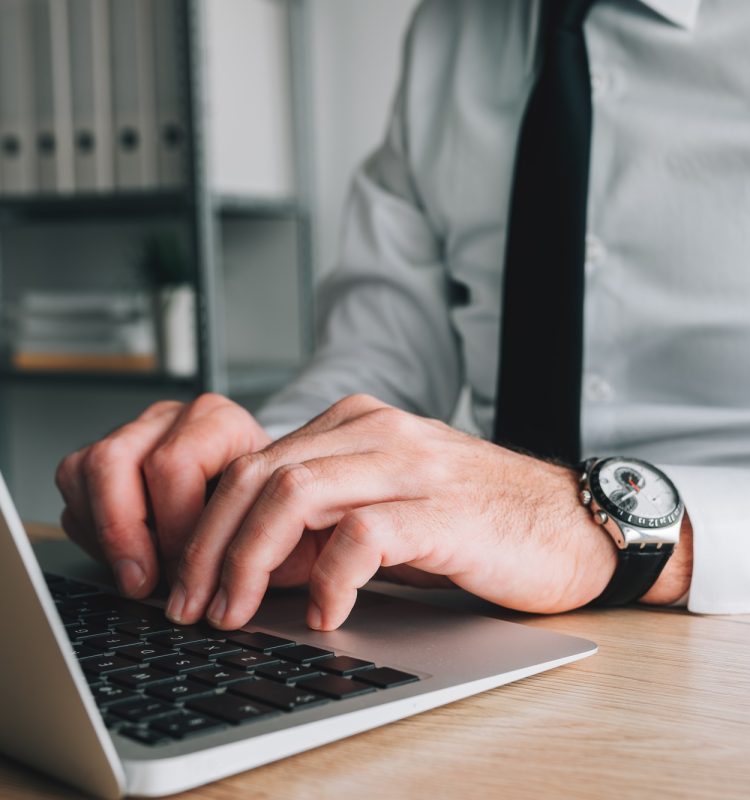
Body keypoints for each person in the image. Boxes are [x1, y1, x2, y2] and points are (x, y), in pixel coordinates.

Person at [56, 0, 750, 633]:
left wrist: (592, 527)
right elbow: (379, 355)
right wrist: (254, 471)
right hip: (472, 626)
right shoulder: (449, 29)